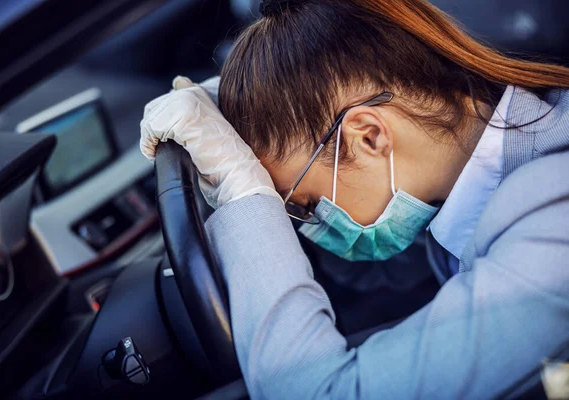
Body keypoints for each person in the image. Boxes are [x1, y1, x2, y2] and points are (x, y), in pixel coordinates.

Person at [140, 0, 569, 397]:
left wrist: (243, 194)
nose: (309, 221)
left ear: (369, 136)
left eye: (300, 202)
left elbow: (320, 391)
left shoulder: (553, 223)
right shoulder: (467, 187)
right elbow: (369, 275)